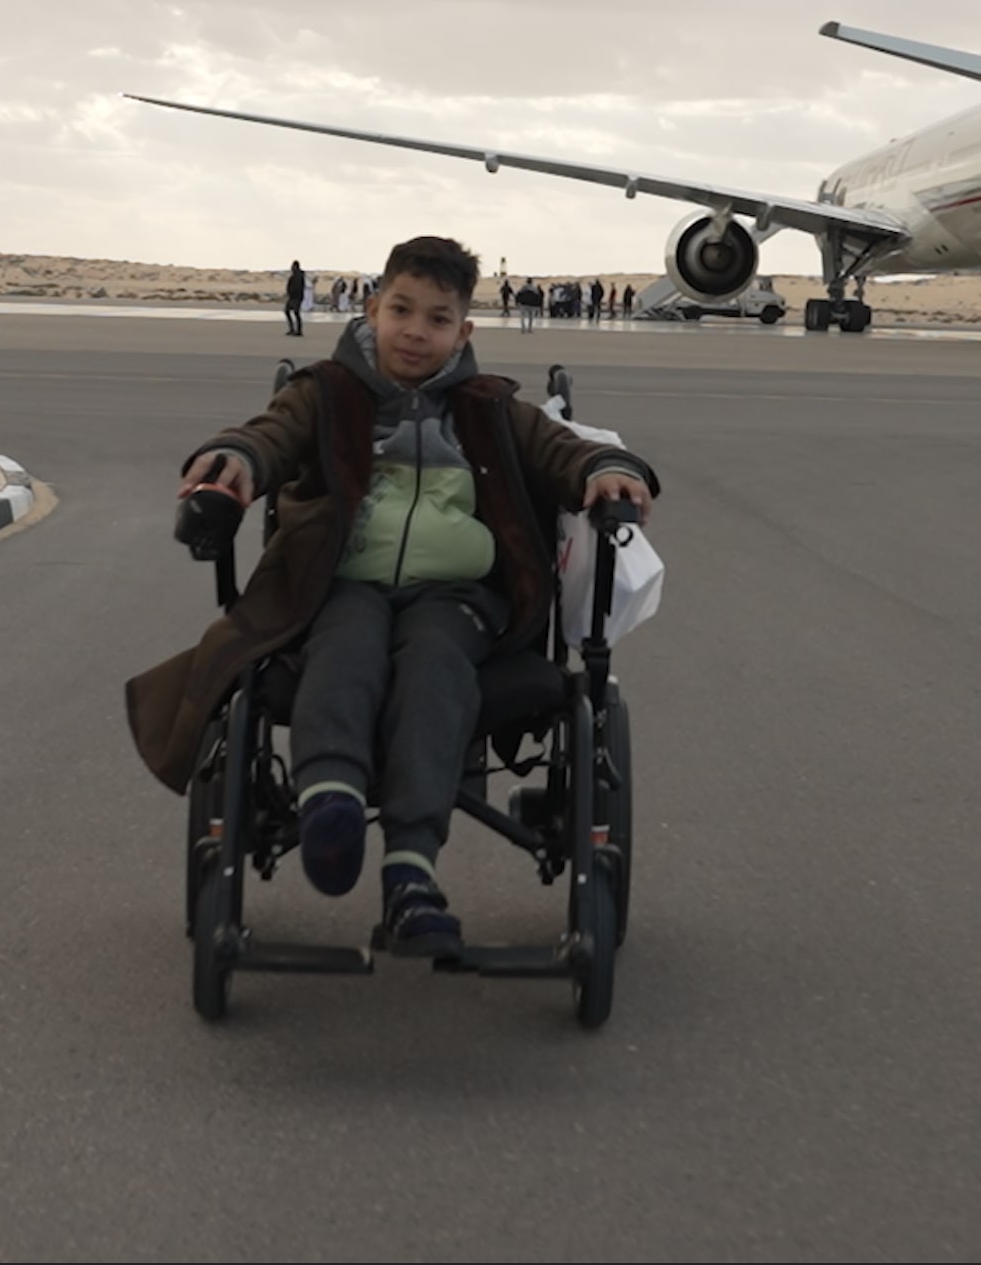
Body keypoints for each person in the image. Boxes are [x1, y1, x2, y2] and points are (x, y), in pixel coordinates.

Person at [130, 234, 658, 957]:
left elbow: (565, 452)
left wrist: (608, 469)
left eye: (437, 319)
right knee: (344, 647)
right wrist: (235, 462)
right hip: (340, 583)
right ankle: (331, 801)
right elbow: (267, 436)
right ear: (372, 308)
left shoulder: (490, 407)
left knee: (435, 665)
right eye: (401, 310)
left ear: (463, 332)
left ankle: (411, 873)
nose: (415, 330)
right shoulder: (324, 394)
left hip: (458, 597)